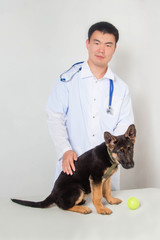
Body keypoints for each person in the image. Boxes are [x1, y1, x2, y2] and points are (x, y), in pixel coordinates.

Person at [46, 21, 134, 190]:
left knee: (106, 212)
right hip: (74, 166)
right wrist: (65, 149)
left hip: (106, 171)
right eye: (96, 43)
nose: (101, 50)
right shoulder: (68, 80)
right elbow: (54, 116)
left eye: (108, 45)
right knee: (70, 209)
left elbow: (125, 126)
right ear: (88, 44)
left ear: (115, 48)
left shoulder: (121, 88)